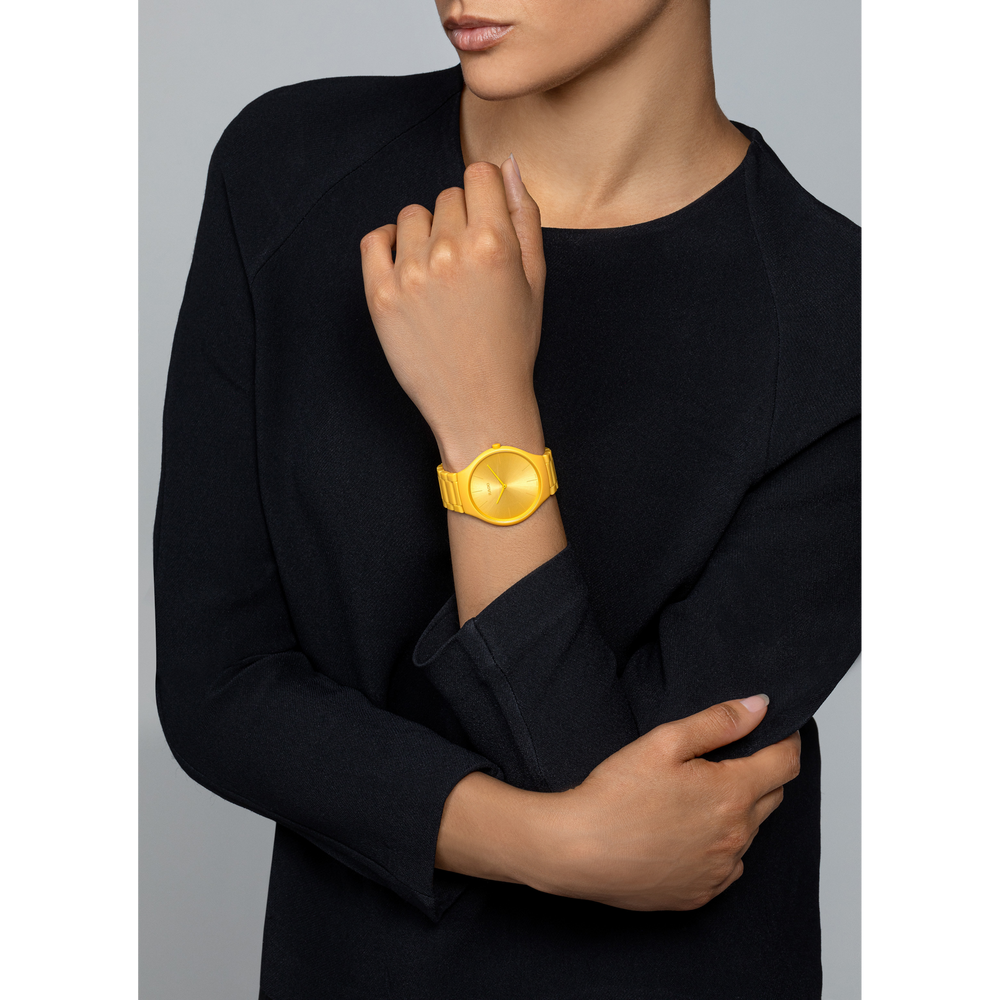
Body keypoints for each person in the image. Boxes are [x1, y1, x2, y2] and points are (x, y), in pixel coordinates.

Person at [154, 1, 862, 997]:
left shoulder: (837, 320)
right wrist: (545, 844)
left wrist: (484, 414)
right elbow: (218, 688)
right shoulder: (288, 166)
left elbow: (604, 777)